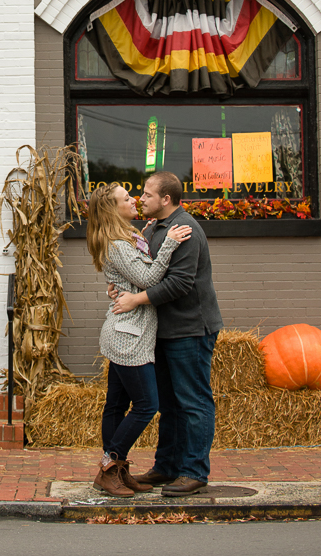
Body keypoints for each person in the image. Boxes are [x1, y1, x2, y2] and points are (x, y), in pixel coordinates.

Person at [110, 171, 223, 497]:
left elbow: (179, 284)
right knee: (170, 404)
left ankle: (194, 471)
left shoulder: (185, 231)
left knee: (193, 402)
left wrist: (136, 299)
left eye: (147, 194)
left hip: (190, 330)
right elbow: (147, 272)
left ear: (166, 199)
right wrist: (120, 286)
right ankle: (167, 467)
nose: (140, 198)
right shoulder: (155, 229)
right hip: (165, 331)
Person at [87, 182, 193, 498]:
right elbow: (147, 279)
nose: (134, 199)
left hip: (125, 332)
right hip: (128, 338)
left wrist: (145, 236)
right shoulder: (117, 245)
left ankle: (117, 473)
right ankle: (110, 465)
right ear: (112, 209)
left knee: (117, 405)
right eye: (125, 198)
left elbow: (133, 271)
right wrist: (170, 243)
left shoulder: (126, 238)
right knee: (148, 404)